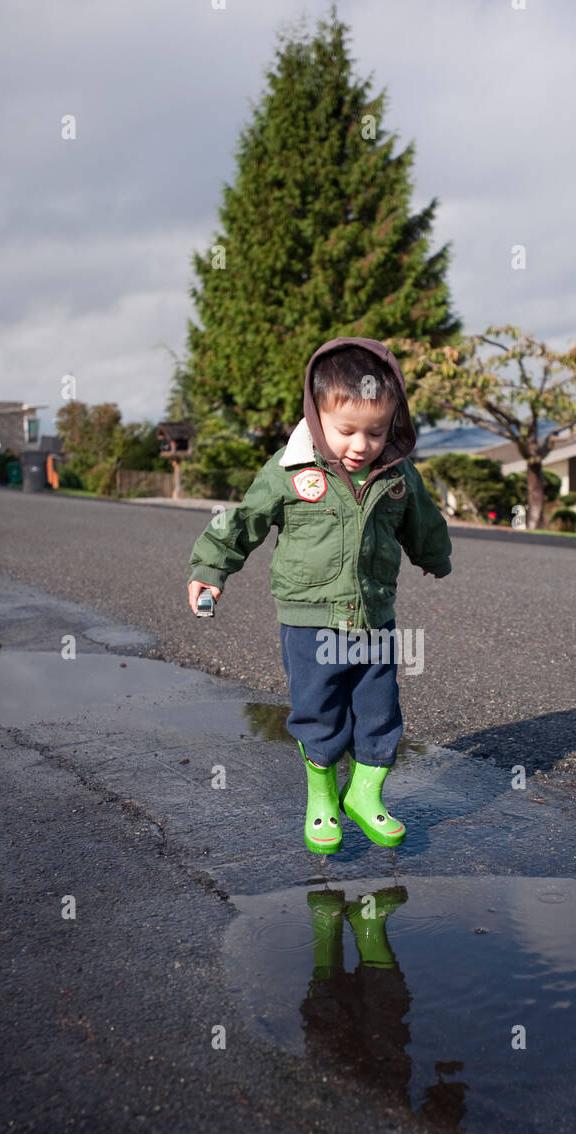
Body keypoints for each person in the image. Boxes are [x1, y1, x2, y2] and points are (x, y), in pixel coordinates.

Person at [187, 336, 452, 853]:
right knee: (319, 708)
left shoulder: (398, 476)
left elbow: (424, 521)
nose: (361, 445)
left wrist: (433, 556)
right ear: (316, 417)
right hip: (309, 618)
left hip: (374, 616)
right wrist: (211, 568)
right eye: (346, 430)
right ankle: (323, 796)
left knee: (379, 709)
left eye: (376, 431)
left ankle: (366, 792)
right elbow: (243, 521)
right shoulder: (290, 469)